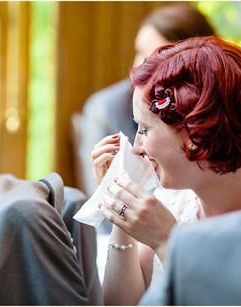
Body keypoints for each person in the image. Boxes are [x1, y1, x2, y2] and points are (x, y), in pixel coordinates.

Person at [92, 36, 241, 304]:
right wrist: (122, 217)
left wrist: (169, 241)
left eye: (145, 129)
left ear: (198, 130)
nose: (136, 148)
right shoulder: (175, 201)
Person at [78, 4, 215, 197]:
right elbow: (100, 203)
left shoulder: (213, 114)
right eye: (138, 52)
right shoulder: (105, 109)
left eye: (152, 58)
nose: (137, 66)